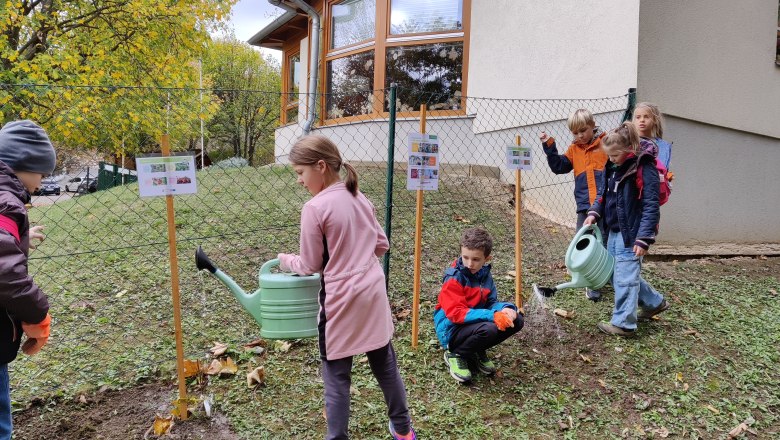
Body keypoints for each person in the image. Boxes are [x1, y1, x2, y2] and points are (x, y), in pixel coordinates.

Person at [277, 135, 415, 440]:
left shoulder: (314, 209)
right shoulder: (359, 197)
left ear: (321, 166)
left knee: (337, 376)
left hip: (340, 301)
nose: (299, 181)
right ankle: (403, 429)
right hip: (374, 292)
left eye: (300, 173)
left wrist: (284, 260)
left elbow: (309, 264)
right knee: (385, 364)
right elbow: (382, 244)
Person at [583, 122, 670, 337]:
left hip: (631, 233)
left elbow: (651, 204)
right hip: (613, 230)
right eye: (609, 156)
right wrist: (595, 212)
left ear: (629, 150)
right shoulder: (612, 167)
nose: (610, 160)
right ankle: (654, 302)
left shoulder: (643, 167)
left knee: (625, 277)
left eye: (614, 156)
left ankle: (624, 324)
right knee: (615, 273)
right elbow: (603, 194)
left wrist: (643, 238)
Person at [0, 120, 55, 438]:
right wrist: (39, 315)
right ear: (22, 165)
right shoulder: (6, 202)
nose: (42, 181)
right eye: (41, 172)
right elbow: (5, 272)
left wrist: (19, 239)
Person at [433, 228, 523, 383]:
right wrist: (491, 315)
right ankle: (456, 353)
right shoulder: (454, 278)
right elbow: (456, 314)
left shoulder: (484, 276)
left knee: (517, 321)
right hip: (451, 330)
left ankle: (475, 349)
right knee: (489, 329)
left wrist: (507, 309)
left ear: (486, 258)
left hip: (473, 323)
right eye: (465, 257)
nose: (469, 263)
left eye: (475, 259)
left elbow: (491, 303)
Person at [539, 108, 608, 301]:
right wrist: (549, 146)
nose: (579, 135)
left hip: (606, 204)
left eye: (583, 130)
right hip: (585, 206)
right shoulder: (574, 149)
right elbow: (559, 167)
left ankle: (604, 276)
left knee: (604, 240)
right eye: (575, 132)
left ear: (593, 126)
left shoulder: (606, 143)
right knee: (583, 242)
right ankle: (590, 282)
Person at [632, 102, 673, 170]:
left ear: (655, 120)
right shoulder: (628, 142)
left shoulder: (663, 146)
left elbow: (663, 168)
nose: (642, 120)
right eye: (638, 117)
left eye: (646, 117)